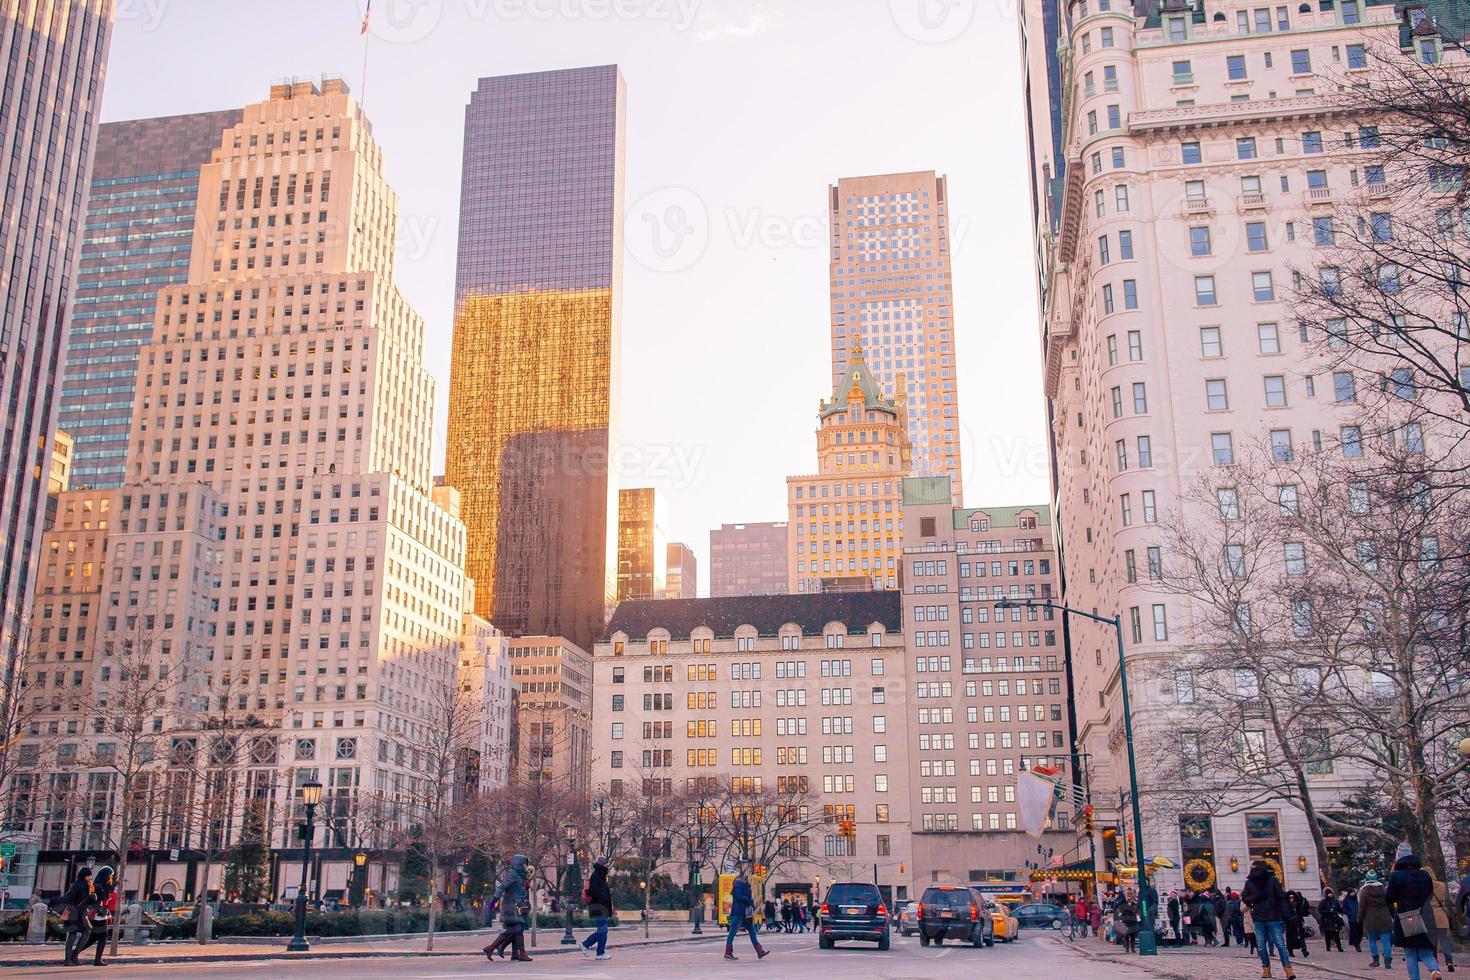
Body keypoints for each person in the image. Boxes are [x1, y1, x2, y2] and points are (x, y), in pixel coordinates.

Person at [1387, 846, 1443, 980]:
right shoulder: (1425, 875)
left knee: (1410, 952)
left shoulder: (1396, 876)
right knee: (1425, 951)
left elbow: (1389, 898)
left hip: (1406, 917)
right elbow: (1430, 893)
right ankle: (1435, 971)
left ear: (1398, 858)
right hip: (1425, 916)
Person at [1242, 860, 1294, 979]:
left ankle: (1288, 969)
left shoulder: (1273, 880)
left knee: (1280, 944)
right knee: (1261, 946)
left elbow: (1281, 897)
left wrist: (1284, 913)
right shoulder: (1249, 883)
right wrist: (1257, 897)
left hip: (1273, 916)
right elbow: (1245, 898)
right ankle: (1266, 969)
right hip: (1258, 917)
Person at [484, 854, 533, 963]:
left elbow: (523, 892)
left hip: (519, 905)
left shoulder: (520, 875)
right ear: (518, 863)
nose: (525, 866)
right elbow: (502, 887)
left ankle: (515, 954)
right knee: (518, 928)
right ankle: (494, 947)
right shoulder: (512, 874)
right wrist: (494, 900)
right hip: (511, 906)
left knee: (518, 930)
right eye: (524, 863)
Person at [71, 866, 116, 967]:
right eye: (110, 876)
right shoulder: (98, 886)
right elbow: (96, 900)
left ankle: (91, 958)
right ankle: (76, 954)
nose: (111, 878)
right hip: (97, 914)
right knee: (97, 938)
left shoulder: (104, 886)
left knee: (98, 938)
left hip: (102, 914)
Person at [724, 869, 768, 961]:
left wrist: (751, 901)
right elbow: (738, 896)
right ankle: (728, 952)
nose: (750, 876)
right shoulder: (739, 885)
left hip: (744, 913)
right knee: (733, 932)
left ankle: (759, 951)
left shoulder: (744, 885)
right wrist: (749, 901)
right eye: (749, 875)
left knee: (752, 931)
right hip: (739, 912)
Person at [579, 858, 613, 961]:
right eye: (607, 865)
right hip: (599, 907)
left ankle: (587, 945)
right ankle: (598, 952)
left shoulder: (600, 876)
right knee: (603, 930)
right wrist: (604, 900)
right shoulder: (597, 876)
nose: (608, 867)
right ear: (603, 865)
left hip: (601, 907)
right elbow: (595, 892)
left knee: (602, 930)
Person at [59, 867, 94, 967]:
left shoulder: (85, 885)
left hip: (81, 914)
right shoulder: (78, 886)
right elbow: (71, 899)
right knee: (73, 934)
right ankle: (69, 958)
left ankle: (73, 956)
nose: (90, 877)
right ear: (85, 876)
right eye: (89, 875)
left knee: (84, 932)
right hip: (74, 913)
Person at [1361, 871, 1396, 969]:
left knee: (1372, 940)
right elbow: (1390, 904)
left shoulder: (1364, 891)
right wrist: (1392, 915)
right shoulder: (1384, 891)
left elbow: (1362, 907)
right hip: (1384, 918)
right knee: (1386, 941)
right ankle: (1388, 962)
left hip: (1370, 919)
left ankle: (1375, 960)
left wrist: (1359, 919)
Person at [1430, 870, 1457, 974]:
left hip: (1430, 917)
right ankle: (1449, 961)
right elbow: (1449, 900)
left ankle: (1435, 965)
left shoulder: (1424, 885)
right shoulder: (1442, 885)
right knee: (1444, 940)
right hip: (1442, 916)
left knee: (1433, 942)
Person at [1284, 890, 1311, 960]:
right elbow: (1285, 915)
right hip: (1290, 925)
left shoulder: (1297, 905)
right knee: (1290, 939)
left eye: (1292, 897)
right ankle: (1290, 951)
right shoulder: (1286, 906)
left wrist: (1302, 922)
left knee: (1302, 938)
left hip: (1299, 923)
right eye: (1290, 898)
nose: (1291, 899)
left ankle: (1304, 950)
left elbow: (1301, 914)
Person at [1319, 887, 1345, 952]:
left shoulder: (1335, 901)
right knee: (1327, 934)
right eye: (1328, 893)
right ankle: (1328, 947)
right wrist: (1327, 912)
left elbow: (1339, 909)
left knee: (1336, 934)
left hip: (1334, 919)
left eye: (1330, 893)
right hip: (1326, 920)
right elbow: (1320, 910)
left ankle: (1339, 947)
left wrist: (1342, 912)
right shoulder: (1323, 902)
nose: (1330, 895)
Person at [1344, 887, 1363, 953]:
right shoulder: (1346, 900)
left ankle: (1355, 941)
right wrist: (1349, 913)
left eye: (1353, 892)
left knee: (1360, 932)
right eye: (1351, 892)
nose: (1353, 893)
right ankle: (1356, 944)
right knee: (1354, 932)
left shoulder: (1357, 899)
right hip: (1352, 918)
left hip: (1359, 917)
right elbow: (1344, 909)